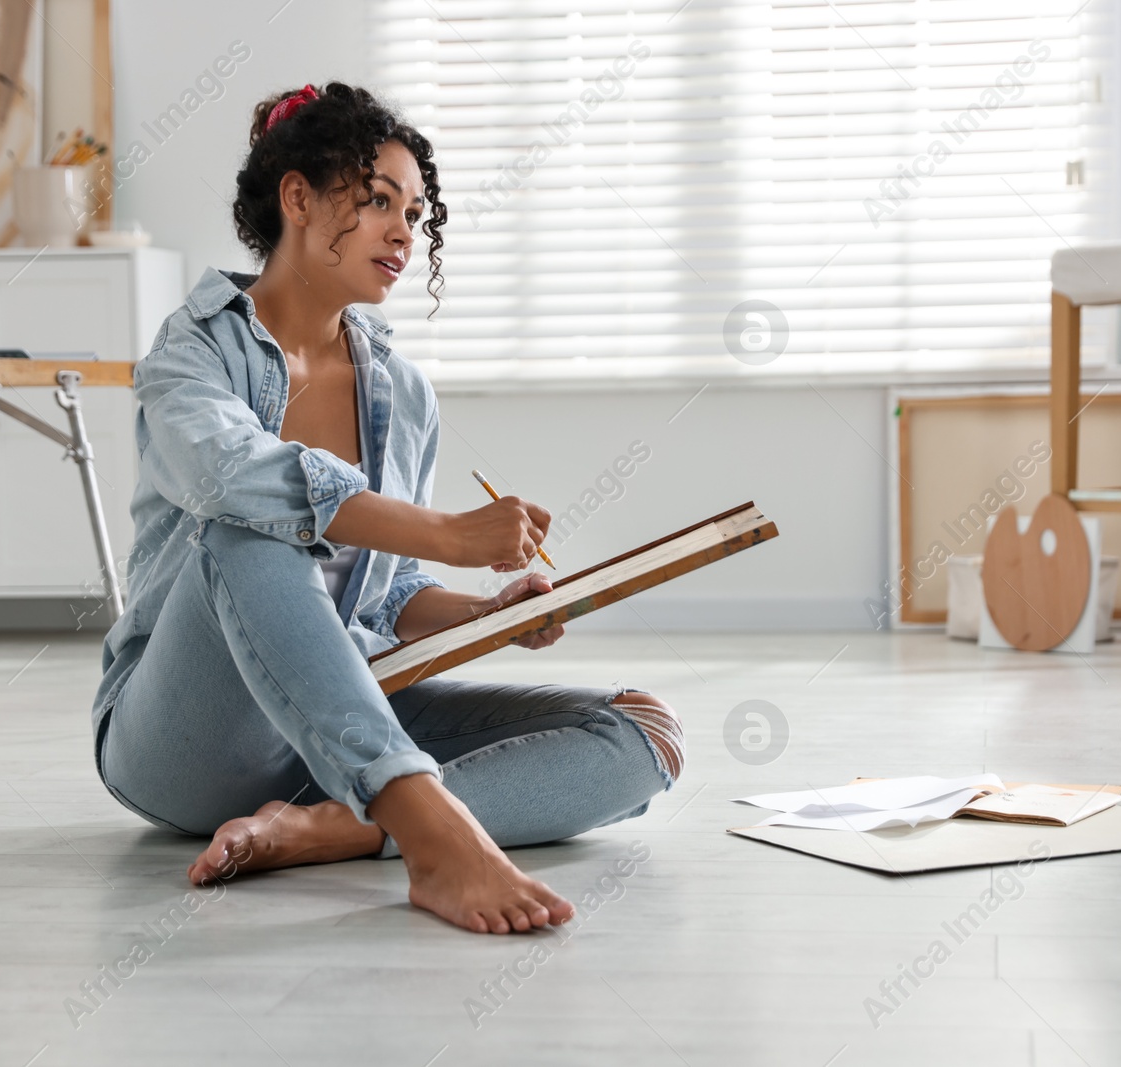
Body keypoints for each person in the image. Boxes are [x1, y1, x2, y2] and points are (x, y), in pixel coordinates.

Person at [90, 82, 685, 935]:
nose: (405, 231)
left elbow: (385, 596)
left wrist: (485, 614)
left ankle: (340, 828)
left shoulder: (401, 392)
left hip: (337, 738)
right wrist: (449, 533)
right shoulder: (193, 351)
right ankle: (432, 836)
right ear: (297, 198)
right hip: (187, 740)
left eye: (416, 210)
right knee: (246, 530)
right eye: (376, 202)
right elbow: (231, 482)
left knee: (644, 732)